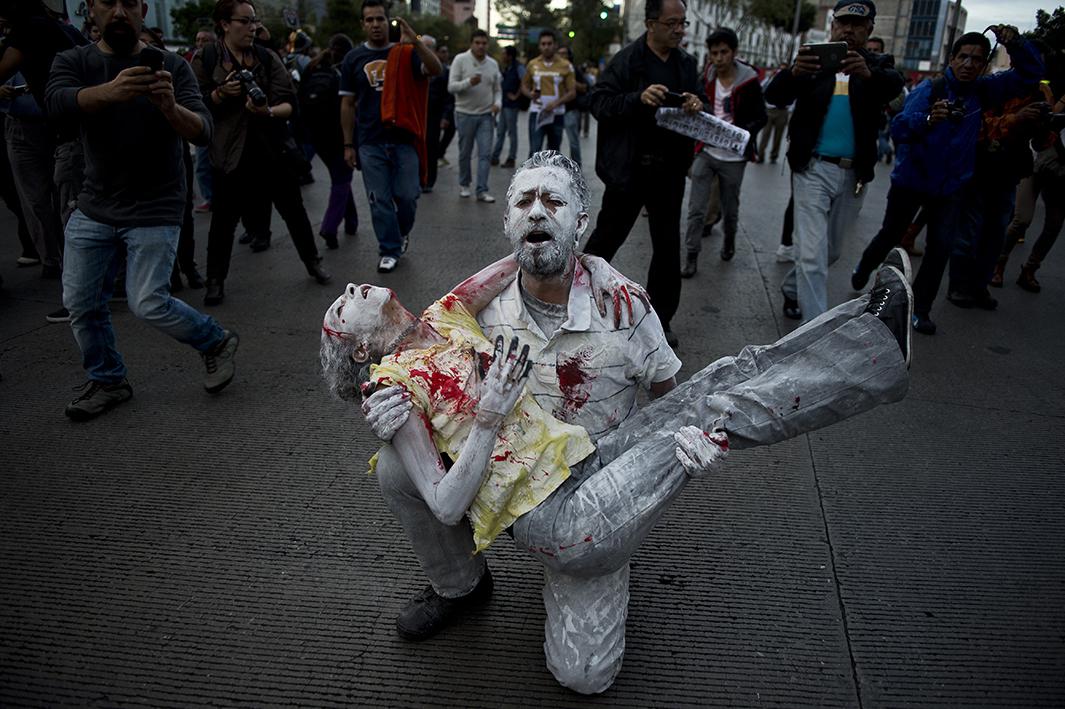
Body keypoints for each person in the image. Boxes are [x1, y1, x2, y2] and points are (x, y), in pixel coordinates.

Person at [321, 151, 915, 695]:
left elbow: (667, 394)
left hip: (595, 465)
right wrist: (449, 414)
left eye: (553, 202)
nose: (537, 212)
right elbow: (440, 473)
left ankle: (871, 331)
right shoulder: (441, 344)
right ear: (508, 223)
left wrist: (654, 464)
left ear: (581, 223)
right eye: (524, 202)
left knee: (718, 389)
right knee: (396, 465)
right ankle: (461, 584)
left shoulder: (609, 305)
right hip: (547, 513)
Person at [45, 0, 239, 421]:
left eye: (129, 2)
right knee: (80, 303)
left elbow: (203, 130)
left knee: (148, 301)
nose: (118, 11)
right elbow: (55, 102)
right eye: (107, 2)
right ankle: (108, 380)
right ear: (90, 9)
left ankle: (215, 340)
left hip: (156, 206)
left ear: (143, 10)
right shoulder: (74, 60)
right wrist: (109, 92)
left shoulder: (172, 65)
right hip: (95, 204)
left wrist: (169, 107)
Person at [849, 26, 1041, 334]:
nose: (968, 64)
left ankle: (920, 309)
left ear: (984, 64)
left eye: (976, 59)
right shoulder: (930, 90)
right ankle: (864, 268)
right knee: (891, 234)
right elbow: (899, 129)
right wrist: (928, 119)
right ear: (952, 59)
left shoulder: (984, 91)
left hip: (951, 187)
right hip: (911, 181)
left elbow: (1031, 75)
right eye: (963, 57)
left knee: (940, 248)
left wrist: (1015, 43)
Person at [765, 0, 903, 323]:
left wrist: (868, 74)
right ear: (832, 26)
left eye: (857, 24)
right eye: (842, 23)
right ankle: (816, 330)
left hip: (854, 174)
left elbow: (894, 88)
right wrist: (793, 73)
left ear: (869, 29)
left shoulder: (877, 65)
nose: (848, 30)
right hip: (812, 169)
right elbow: (774, 96)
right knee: (811, 255)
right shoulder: (813, 63)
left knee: (831, 252)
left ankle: (793, 288)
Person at [582, 0, 708, 348]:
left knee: (667, 248)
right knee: (605, 240)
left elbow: (703, 103)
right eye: (672, 23)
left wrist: (697, 103)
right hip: (629, 170)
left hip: (670, 172)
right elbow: (599, 103)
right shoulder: (627, 61)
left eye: (683, 23)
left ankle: (659, 321)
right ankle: (576, 302)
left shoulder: (686, 64)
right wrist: (638, 98)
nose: (679, 30)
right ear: (651, 24)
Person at [192, 0, 332, 306]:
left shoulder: (266, 57)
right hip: (230, 152)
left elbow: (290, 103)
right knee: (223, 220)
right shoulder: (208, 57)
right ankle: (215, 280)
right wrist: (220, 94)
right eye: (244, 21)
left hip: (272, 149)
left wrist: (266, 110)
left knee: (294, 211)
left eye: (254, 21)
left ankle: (313, 262)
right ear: (225, 24)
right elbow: (193, 104)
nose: (252, 28)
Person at [0, 0, 89, 323]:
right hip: (81, 130)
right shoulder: (59, 29)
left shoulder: (28, 30)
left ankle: (81, 298)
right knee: (79, 211)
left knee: (73, 216)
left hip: (69, 133)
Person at [339, 0, 442, 273]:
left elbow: (436, 69)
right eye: (369, 20)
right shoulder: (353, 58)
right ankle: (389, 249)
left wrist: (415, 40)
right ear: (363, 24)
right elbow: (347, 104)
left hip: (404, 139)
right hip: (370, 141)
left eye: (380, 19)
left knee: (407, 196)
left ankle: (399, 233)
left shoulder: (406, 53)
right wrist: (348, 144)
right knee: (379, 199)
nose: (375, 24)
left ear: (388, 22)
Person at [681, 27, 766, 276]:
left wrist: (741, 133)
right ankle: (691, 255)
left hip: (733, 157)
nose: (719, 58)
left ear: (734, 52)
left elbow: (761, 117)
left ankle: (729, 241)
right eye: (714, 53)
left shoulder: (749, 81)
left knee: (730, 208)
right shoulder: (706, 78)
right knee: (696, 209)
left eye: (724, 52)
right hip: (706, 151)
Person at [994, 82, 1065, 293]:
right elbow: (1050, 117)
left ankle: (1030, 269)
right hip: (1037, 163)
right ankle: (998, 264)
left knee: (1054, 224)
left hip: (1061, 176)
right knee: (1021, 219)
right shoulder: (1051, 92)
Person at [299, 33, 359, 249]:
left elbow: (300, 98)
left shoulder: (312, 68)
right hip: (339, 135)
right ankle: (329, 227)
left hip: (316, 136)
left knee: (339, 176)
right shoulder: (343, 72)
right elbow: (350, 106)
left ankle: (352, 222)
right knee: (341, 180)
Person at [448, 29, 500, 202]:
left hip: (486, 115)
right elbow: (451, 87)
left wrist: (498, 103)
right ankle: (464, 184)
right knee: (465, 152)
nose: (481, 46)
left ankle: (482, 190)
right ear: (471, 44)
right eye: (477, 43)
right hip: (464, 114)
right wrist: (469, 82)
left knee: (485, 154)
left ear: (488, 45)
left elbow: (497, 89)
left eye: (484, 43)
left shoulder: (492, 64)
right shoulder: (460, 60)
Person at [521, 30, 575, 156]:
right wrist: (530, 95)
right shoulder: (532, 64)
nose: (546, 47)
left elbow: (572, 92)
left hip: (557, 114)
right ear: (539, 46)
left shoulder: (566, 65)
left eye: (549, 44)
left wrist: (556, 104)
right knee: (534, 151)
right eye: (543, 44)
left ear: (555, 45)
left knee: (554, 154)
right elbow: (523, 86)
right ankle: (533, 170)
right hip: (537, 112)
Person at [190, 28, 215, 213]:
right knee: (202, 163)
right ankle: (210, 197)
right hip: (202, 119)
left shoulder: (218, 59)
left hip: (219, 119)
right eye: (198, 39)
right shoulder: (191, 61)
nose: (200, 43)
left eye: (204, 40)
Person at [422, 36, 452, 191]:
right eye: (423, 46)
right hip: (416, 115)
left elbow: (448, 97)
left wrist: (445, 116)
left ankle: (429, 181)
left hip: (434, 116)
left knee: (431, 148)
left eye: (429, 47)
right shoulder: (414, 66)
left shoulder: (443, 71)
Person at [490, 45, 523, 169]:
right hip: (504, 104)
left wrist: (516, 96)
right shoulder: (506, 68)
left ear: (510, 56)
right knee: (500, 131)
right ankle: (495, 157)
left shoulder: (518, 67)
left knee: (511, 132)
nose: (502, 56)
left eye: (504, 54)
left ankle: (511, 158)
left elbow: (525, 81)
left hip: (512, 105)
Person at [557, 46, 586, 166]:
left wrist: (572, 83)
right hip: (556, 110)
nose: (561, 56)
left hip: (570, 109)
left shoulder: (574, 69)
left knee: (573, 141)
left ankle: (576, 165)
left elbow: (584, 87)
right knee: (554, 141)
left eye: (564, 53)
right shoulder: (554, 68)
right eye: (559, 53)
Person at [757, 63, 791, 164]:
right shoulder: (771, 78)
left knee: (778, 136)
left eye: (783, 70)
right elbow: (761, 87)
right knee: (765, 134)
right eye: (780, 69)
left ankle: (774, 156)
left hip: (782, 111)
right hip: (769, 110)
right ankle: (760, 155)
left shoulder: (789, 81)